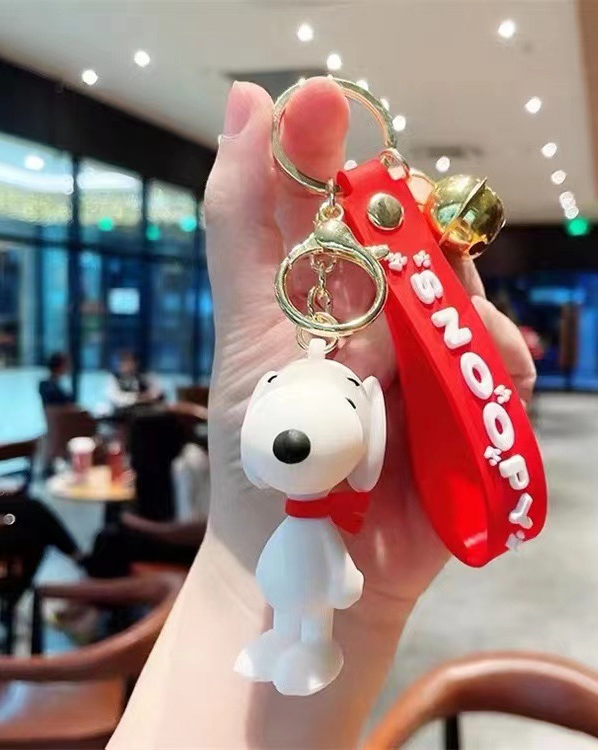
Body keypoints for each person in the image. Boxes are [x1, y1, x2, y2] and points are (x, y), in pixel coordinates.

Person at [109, 79, 536, 749]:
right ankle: (291, 639)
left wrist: (357, 604)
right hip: (281, 572)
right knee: (293, 611)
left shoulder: (358, 449)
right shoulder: (278, 452)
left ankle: (308, 642)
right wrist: (239, 570)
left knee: (308, 619)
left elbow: (341, 569)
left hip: (317, 583)